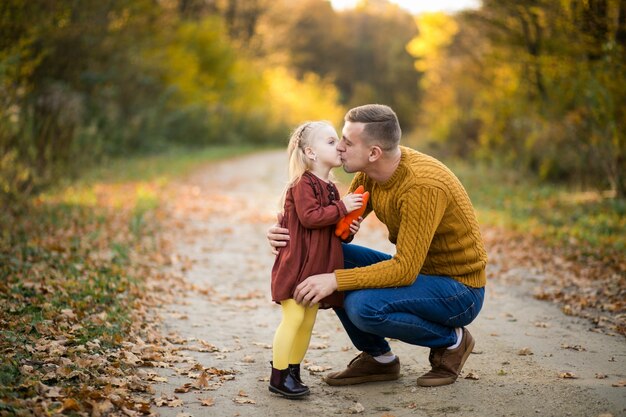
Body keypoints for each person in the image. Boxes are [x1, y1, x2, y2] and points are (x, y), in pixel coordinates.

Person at [267, 104, 487, 388]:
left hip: (458, 289)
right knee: (329, 257)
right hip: (421, 273)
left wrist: (335, 280)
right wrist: (285, 233)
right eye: (339, 139)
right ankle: (379, 360)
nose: (341, 148)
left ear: (374, 153)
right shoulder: (371, 173)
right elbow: (329, 225)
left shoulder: (422, 187)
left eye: (347, 142)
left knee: (362, 306)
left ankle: (453, 340)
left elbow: (404, 270)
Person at [269, 121, 364, 398]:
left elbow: (332, 231)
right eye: (331, 142)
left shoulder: (332, 189)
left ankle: (293, 371)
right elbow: (310, 218)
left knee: (308, 320)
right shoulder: (302, 184)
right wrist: (341, 207)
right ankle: (278, 375)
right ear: (311, 152)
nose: (339, 147)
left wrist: (347, 229)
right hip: (296, 265)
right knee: (294, 317)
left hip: (318, 266)